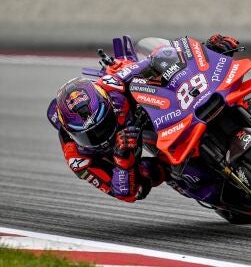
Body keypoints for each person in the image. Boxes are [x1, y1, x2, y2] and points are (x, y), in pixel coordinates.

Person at [47, 34, 240, 203]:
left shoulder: (112, 87)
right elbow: (125, 193)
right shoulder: (78, 158)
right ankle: (205, 188)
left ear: (107, 103)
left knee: (216, 88)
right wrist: (122, 159)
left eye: (103, 126)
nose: (101, 137)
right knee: (159, 175)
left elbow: (160, 57)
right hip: (130, 158)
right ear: (71, 133)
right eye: (89, 136)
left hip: (156, 114)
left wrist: (208, 50)